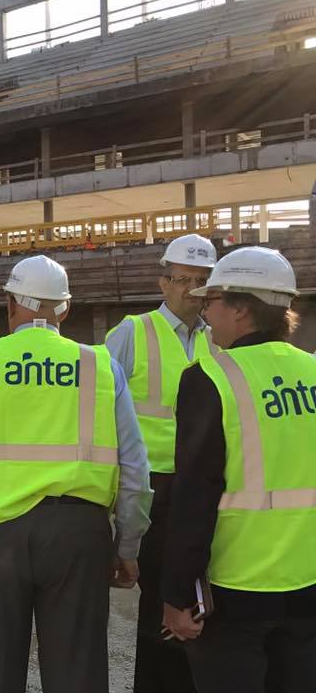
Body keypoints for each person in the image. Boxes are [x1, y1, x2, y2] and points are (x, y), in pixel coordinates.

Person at [0, 255, 153, 693]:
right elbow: (134, 469)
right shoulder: (100, 366)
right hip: (78, 539)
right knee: (78, 675)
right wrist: (127, 546)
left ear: (11, 304)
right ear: (64, 309)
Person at [161, 246, 316, 693]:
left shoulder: (210, 378)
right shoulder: (311, 372)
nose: (205, 312)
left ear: (242, 309)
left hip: (235, 593)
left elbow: (194, 497)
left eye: (212, 301)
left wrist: (175, 596)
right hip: (307, 587)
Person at [105, 233, 217, 693]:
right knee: (159, 603)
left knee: (198, 599)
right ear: (163, 282)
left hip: (206, 485)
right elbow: (100, 412)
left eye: (201, 282)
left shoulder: (218, 340)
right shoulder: (132, 332)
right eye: (182, 280)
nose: (191, 290)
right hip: (153, 486)